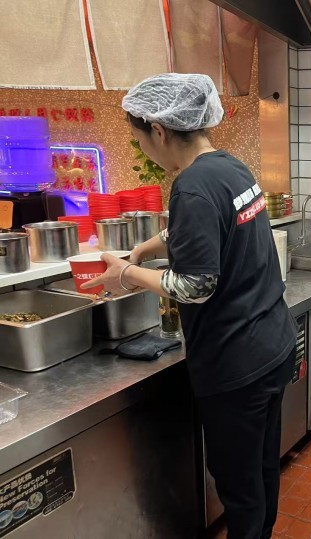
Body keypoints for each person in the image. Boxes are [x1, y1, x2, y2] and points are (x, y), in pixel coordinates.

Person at [83, 73, 297, 539]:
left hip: (237, 363)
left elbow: (195, 285)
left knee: (239, 486)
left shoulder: (192, 185)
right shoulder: (229, 167)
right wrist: (144, 249)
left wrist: (125, 274)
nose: (144, 151)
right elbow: (203, 229)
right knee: (261, 469)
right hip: (272, 345)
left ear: (159, 130)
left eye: (140, 140)